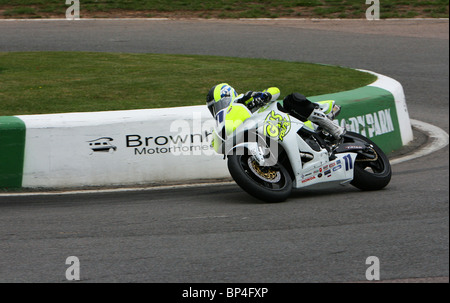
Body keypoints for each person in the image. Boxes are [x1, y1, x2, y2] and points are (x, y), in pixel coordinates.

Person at [206, 83, 345, 139]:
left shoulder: (245, 99)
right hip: (270, 135)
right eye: (215, 108)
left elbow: (275, 90)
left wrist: (264, 96)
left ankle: (332, 127)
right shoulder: (229, 121)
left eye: (220, 103)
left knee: (291, 99)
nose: (220, 109)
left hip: (287, 119)